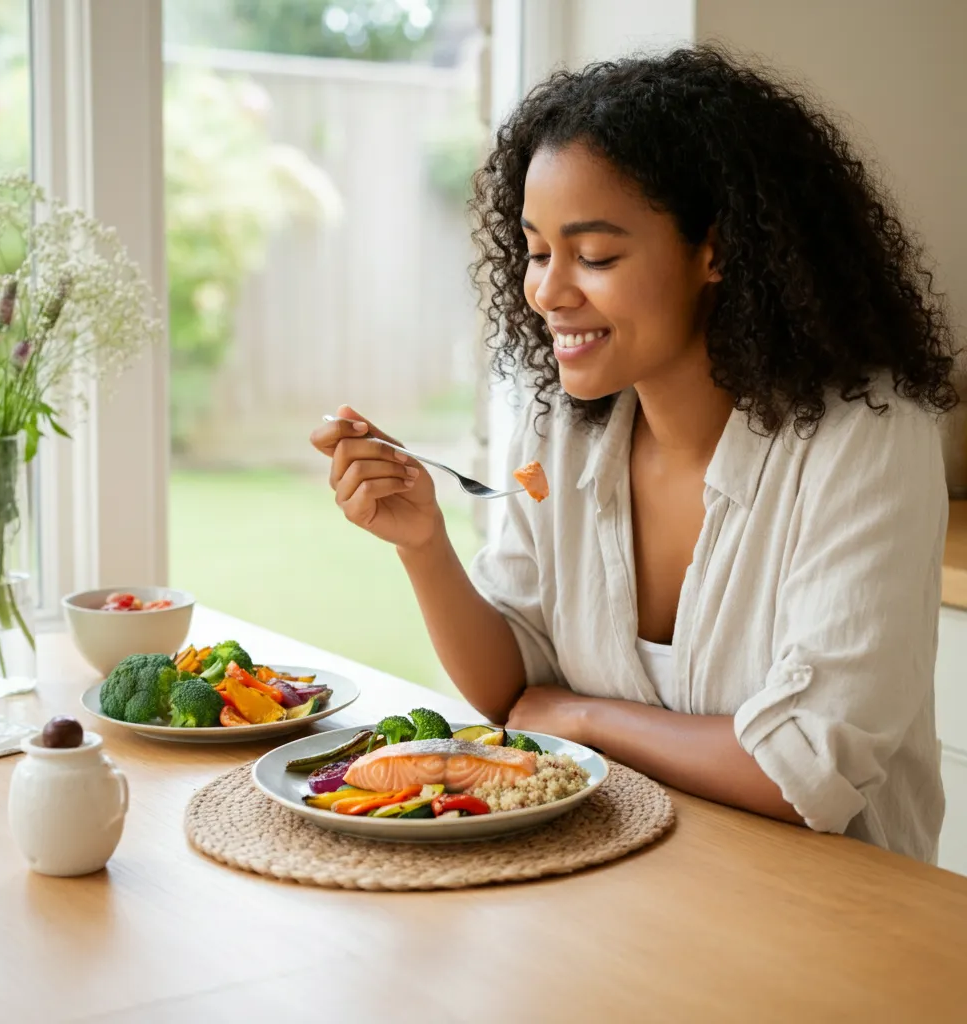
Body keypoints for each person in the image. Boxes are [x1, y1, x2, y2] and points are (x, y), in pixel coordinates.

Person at [310, 47, 958, 861]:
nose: (547, 291)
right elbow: (513, 688)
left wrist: (583, 717)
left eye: (596, 255)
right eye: (538, 251)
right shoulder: (562, 421)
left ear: (716, 251)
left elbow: (807, 769)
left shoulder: (863, 435)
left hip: (834, 922)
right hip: (619, 886)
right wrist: (424, 544)